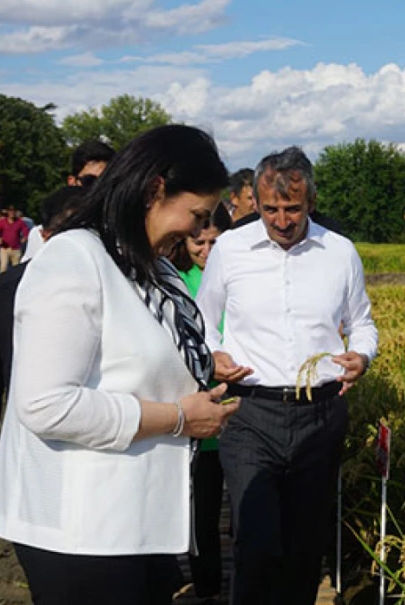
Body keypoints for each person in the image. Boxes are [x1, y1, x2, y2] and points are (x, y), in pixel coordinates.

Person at [0, 125, 241, 605]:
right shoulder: (75, 260)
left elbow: (144, 357)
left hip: (138, 523)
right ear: (155, 190)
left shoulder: (154, 267)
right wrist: (181, 417)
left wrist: (206, 368)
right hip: (82, 532)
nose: (201, 231)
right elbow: (45, 405)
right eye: (197, 214)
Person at [196, 146, 378, 605]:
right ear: (255, 202)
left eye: (292, 209)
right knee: (255, 541)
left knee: (304, 544)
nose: (281, 220)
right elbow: (201, 319)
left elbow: (362, 322)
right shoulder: (231, 250)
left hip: (320, 413)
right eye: (270, 208)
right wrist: (212, 356)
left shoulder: (339, 253)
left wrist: (363, 355)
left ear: (310, 203)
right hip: (249, 413)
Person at [0, 190, 78, 523]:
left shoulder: (128, 293)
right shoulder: (5, 298)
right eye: (68, 233)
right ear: (45, 235)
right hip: (30, 455)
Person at [170, 203, 231, 603]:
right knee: (204, 514)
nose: (206, 249)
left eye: (214, 241)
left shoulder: (241, 278)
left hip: (242, 409)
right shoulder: (175, 282)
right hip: (198, 412)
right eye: (198, 241)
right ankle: (208, 589)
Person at [24, 140, 115, 264]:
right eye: (90, 181)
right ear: (72, 181)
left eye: (107, 182)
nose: (98, 190)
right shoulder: (46, 232)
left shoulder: (124, 231)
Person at [0, 206, 26, 274]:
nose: (12, 213)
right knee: (3, 266)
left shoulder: (20, 222)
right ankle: (2, 281)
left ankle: (15, 283)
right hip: (5, 248)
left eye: (13, 211)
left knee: (16, 268)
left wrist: (25, 238)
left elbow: (26, 231)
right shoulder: (2, 222)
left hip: (16, 248)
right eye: (10, 211)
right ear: (7, 212)